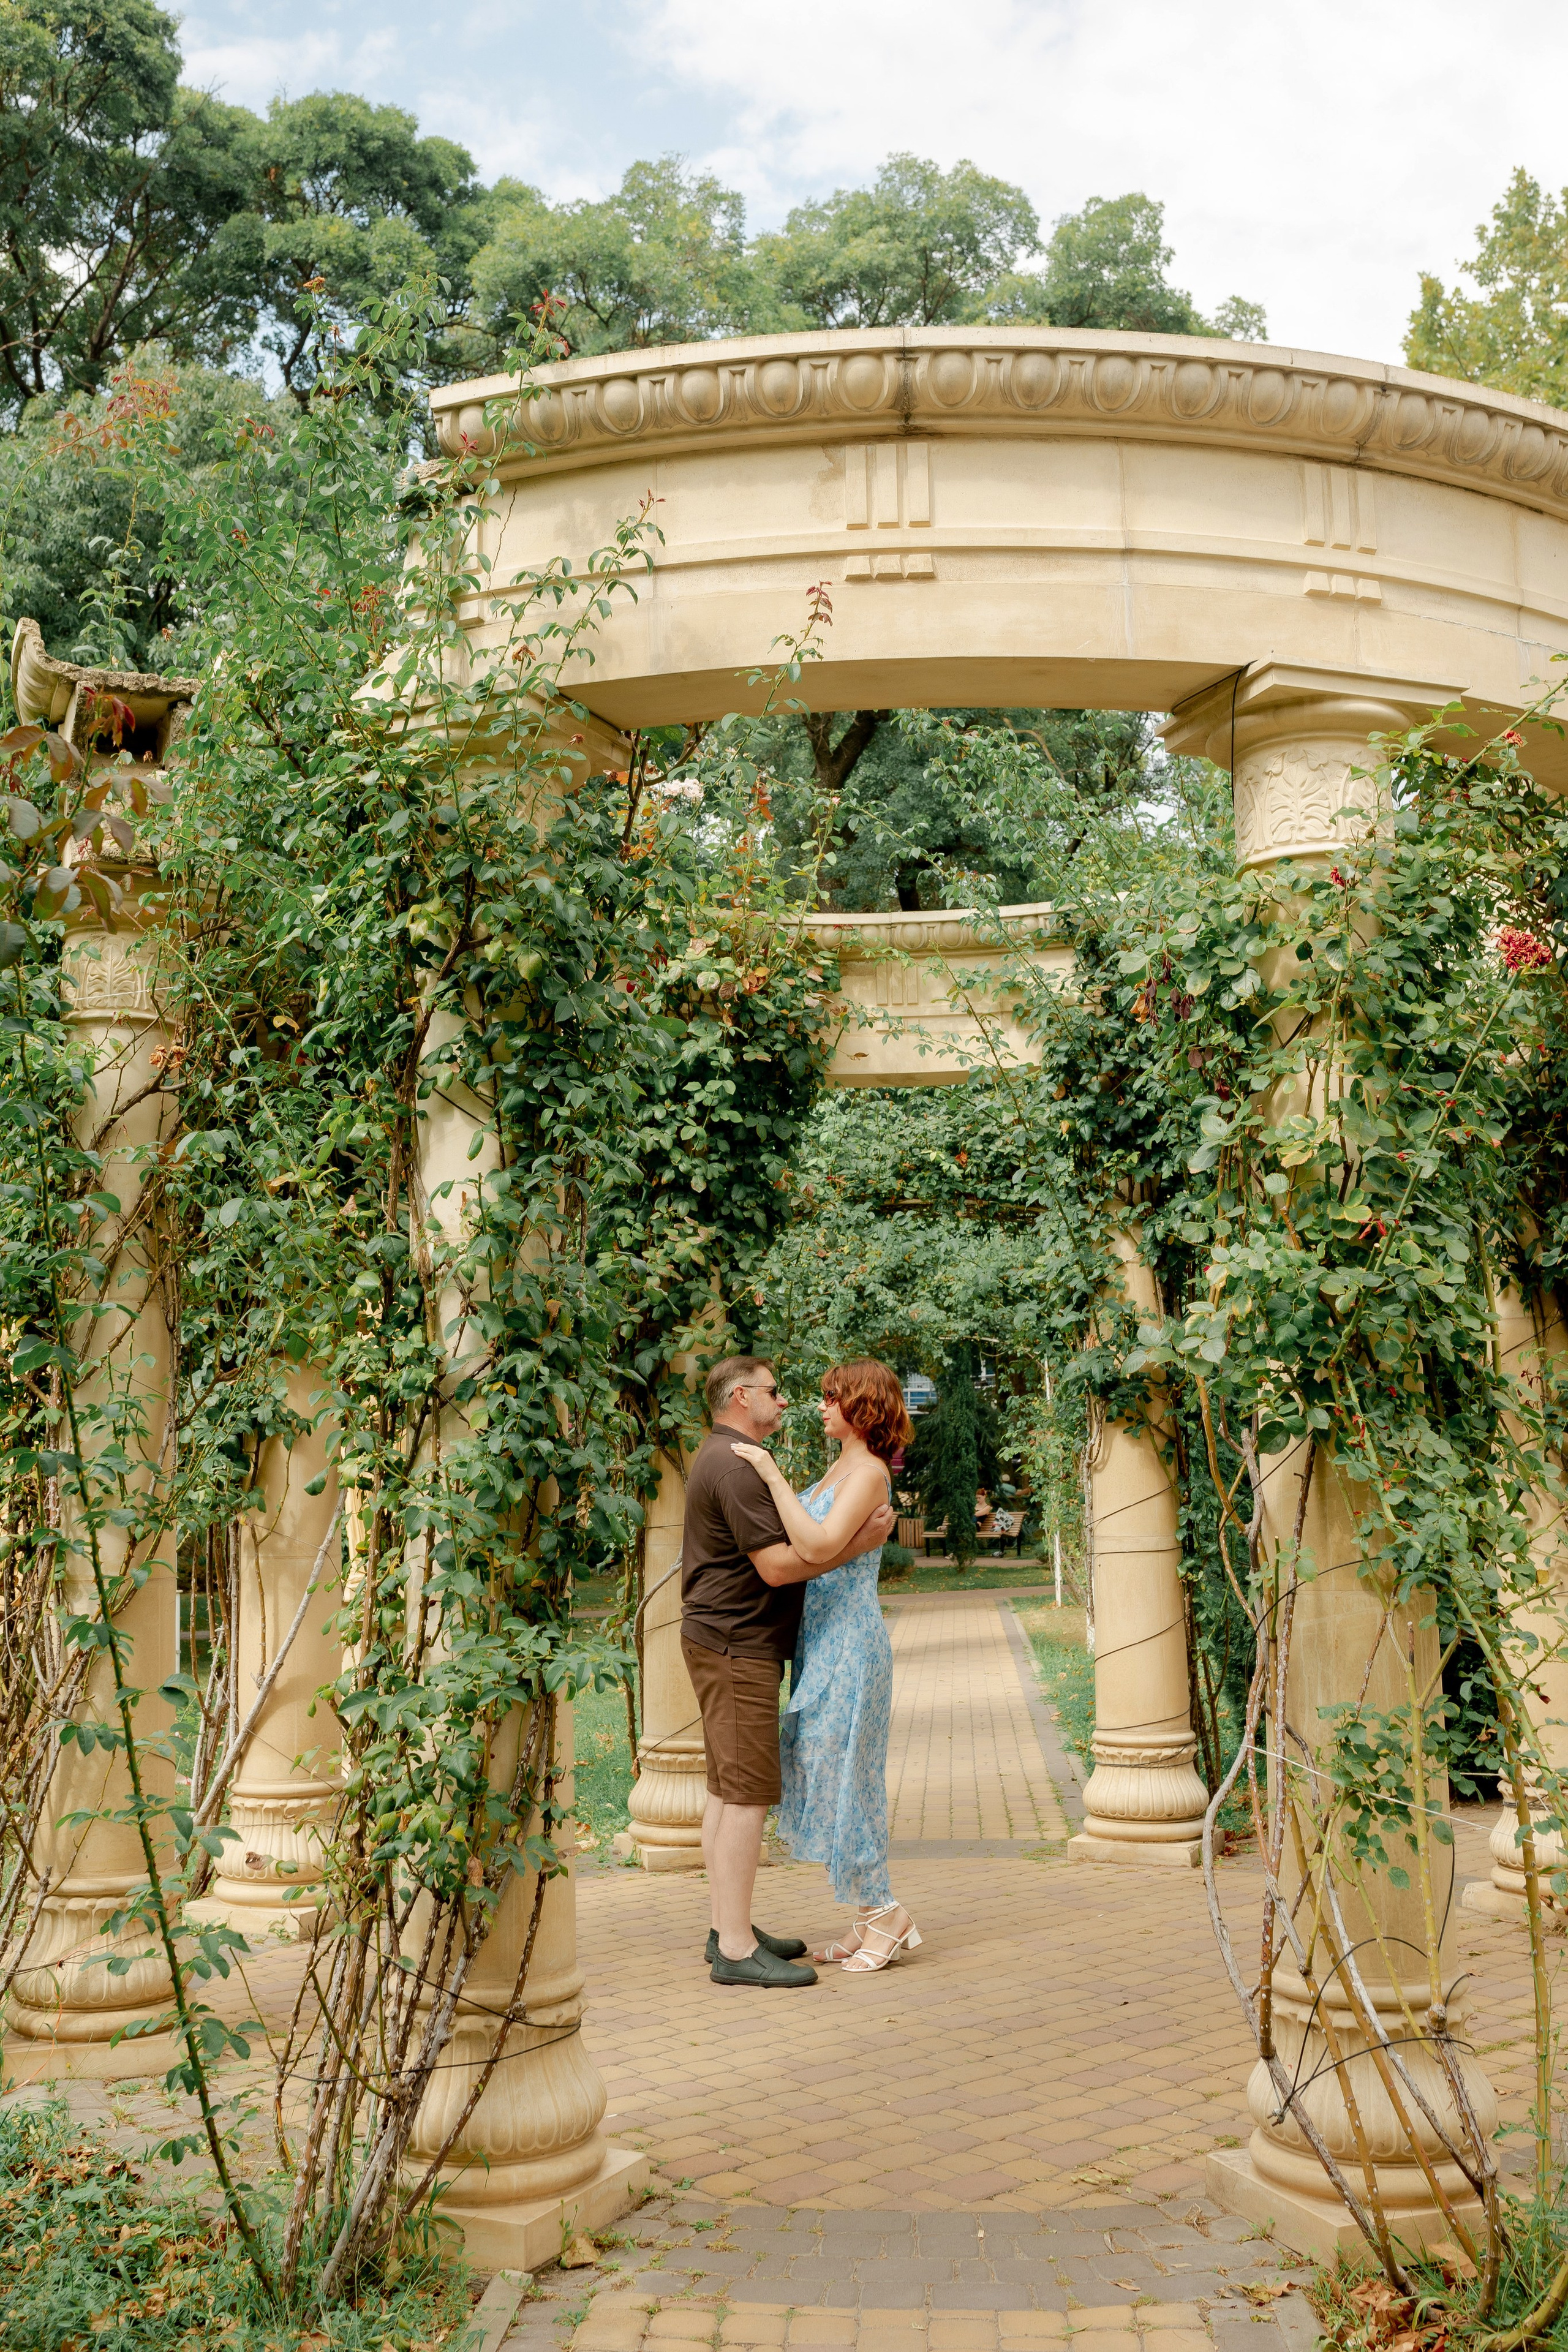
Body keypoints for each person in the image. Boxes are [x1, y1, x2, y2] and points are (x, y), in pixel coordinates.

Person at [681, 1354, 896, 1989]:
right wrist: (855, 1544)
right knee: (742, 1792)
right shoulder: (740, 1463)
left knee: (733, 1790)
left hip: (770, 1642)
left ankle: (732, 1928)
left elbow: (810, 1545)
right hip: (736, 1644)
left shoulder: (734, 1458)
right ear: (743, 1397)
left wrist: (833, 1534)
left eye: (831, 1397)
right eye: (776, 1392)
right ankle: (737, 1945)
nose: (799, 1403)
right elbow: (782, 1565)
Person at [729, 1359, 921, 1975]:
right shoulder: (843, 1466)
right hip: (820, 1641)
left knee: (850, 1779)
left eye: (831, 1397)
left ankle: (887, 1914)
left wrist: (769, 1472)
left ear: (861, 1406)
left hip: (850, 1642)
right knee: (824, 1767)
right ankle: (866, 1914)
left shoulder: (867, 1472)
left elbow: (814, 1546)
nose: (819, 1406)